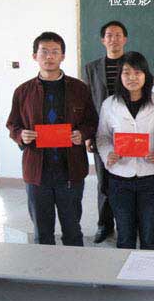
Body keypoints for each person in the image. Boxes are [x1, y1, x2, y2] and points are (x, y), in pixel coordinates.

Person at [6, 32, 98, 246]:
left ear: (62, 56)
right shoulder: (23, 92)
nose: (49, 56)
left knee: (72, 229)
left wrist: (82, 134)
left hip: (70, 170)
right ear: (34, 56)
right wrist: (21, 135)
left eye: (55, 52)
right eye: (44, 52)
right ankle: (44, 267)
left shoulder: (79, 88)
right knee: (42, 232)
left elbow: (92, 121)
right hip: (37, 172)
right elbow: (12, 124)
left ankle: (74, 267)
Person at [96, 52, 154, 250]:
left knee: (149, 235)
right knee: (125, 236)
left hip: (150, 178)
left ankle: (149, 270)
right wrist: (108, 153)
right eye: (126, 72)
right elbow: (102, 137)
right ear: (120, 76)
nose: (132, 77)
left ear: (146, 75)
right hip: (119, 178)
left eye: (137, 72)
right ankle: (126, 271)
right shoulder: (109, 104)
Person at [84, 20, 129, 243]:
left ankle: (127, 224)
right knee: (104, 181)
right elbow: (87, 103)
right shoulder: (91, 68)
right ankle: (104, 224)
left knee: (127, 179)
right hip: (101, 130)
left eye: (118, 35)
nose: (114, 39)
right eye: (109, 35)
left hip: (129, 131)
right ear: (103, 40)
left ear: (125, 39)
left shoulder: (133, 65)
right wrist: (88, 135)